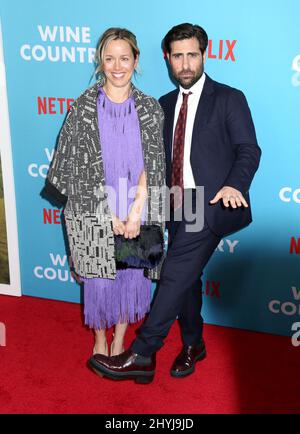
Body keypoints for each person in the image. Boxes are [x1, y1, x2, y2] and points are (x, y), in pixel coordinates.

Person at [88, 23, 261, 383]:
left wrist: (234, 185)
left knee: (173, 274)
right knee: (188, 279)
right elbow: (151, 159)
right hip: (172, 203)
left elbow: (248, 150)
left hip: (210, 202)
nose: (185, 64)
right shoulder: (163, 104)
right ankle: (194, 344)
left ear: (204, 54)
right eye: (177, 55)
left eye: (192, 55)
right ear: (167, 58)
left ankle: (143, 353)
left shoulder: (229, 98)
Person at [46, 28, 165, 357]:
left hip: (136, 203)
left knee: (130, 275)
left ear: (136, 60)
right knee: (98, 278)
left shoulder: (150, 109)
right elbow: (71, 166)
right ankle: (100, 337)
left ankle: (119, 338)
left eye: (124, 58)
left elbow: (154, 164)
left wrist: (136, 212)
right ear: (100, 61)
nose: (117, 66)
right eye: (109, 58)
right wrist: (105, 213)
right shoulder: (82, 107)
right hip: (92, 204)